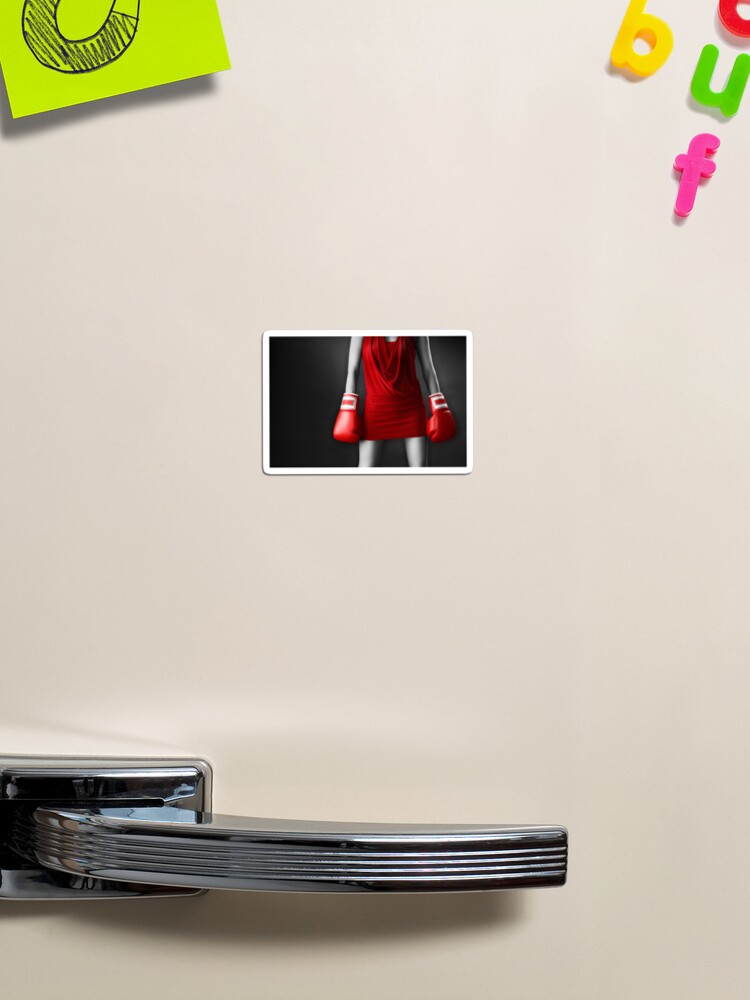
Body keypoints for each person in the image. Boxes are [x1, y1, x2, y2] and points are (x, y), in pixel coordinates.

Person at [333, 335, 456, 468]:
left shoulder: (416, 330)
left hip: (411, 409)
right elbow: (352, 370)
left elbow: (428, 370)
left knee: (419, 469)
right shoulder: (361, 332)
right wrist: (347, 410)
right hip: (375, 410)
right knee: (365, 469)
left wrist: (440, 409)